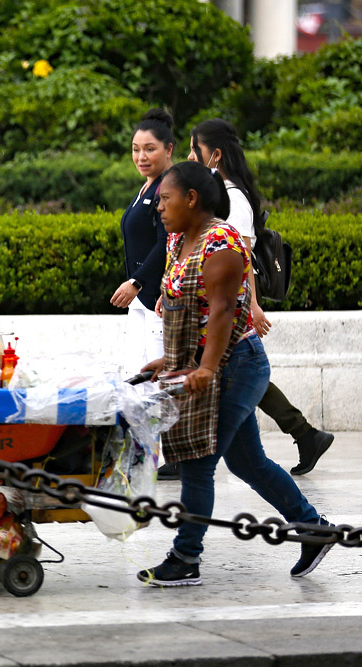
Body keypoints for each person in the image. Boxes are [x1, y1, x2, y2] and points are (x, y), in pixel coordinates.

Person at [137, 162, 331, 587]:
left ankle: (186, 557)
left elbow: (223, 309)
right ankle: (314, 528)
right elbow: (185, 310)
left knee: (197, 462)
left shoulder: (220, 242)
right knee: (248, 463)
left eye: (166, 199)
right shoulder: (177, 241)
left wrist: (206, 366)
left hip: (237, 365)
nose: (160, 208)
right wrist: (168, 362)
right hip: (206, 365)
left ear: (192, 199)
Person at [187, 119, 334, 475]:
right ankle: (304, 434)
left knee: (238, 372)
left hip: (231, 304)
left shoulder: (232, 198)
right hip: (220, 303)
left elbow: (241, 257)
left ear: (215, 155)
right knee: (237, 374)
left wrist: (251, 306)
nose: (191, 156)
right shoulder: (221, 193)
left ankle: (299, 435)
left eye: (196, 150)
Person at [111, 108, 174, 375]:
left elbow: (165, 243)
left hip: (158, 299)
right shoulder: (147, 186)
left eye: (150, 149)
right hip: (141, 298)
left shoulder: (168, 187)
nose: (141, 157)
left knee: (159, 383)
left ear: (168, 149)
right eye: (136, 149)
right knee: (136, 378)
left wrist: (137, 280)